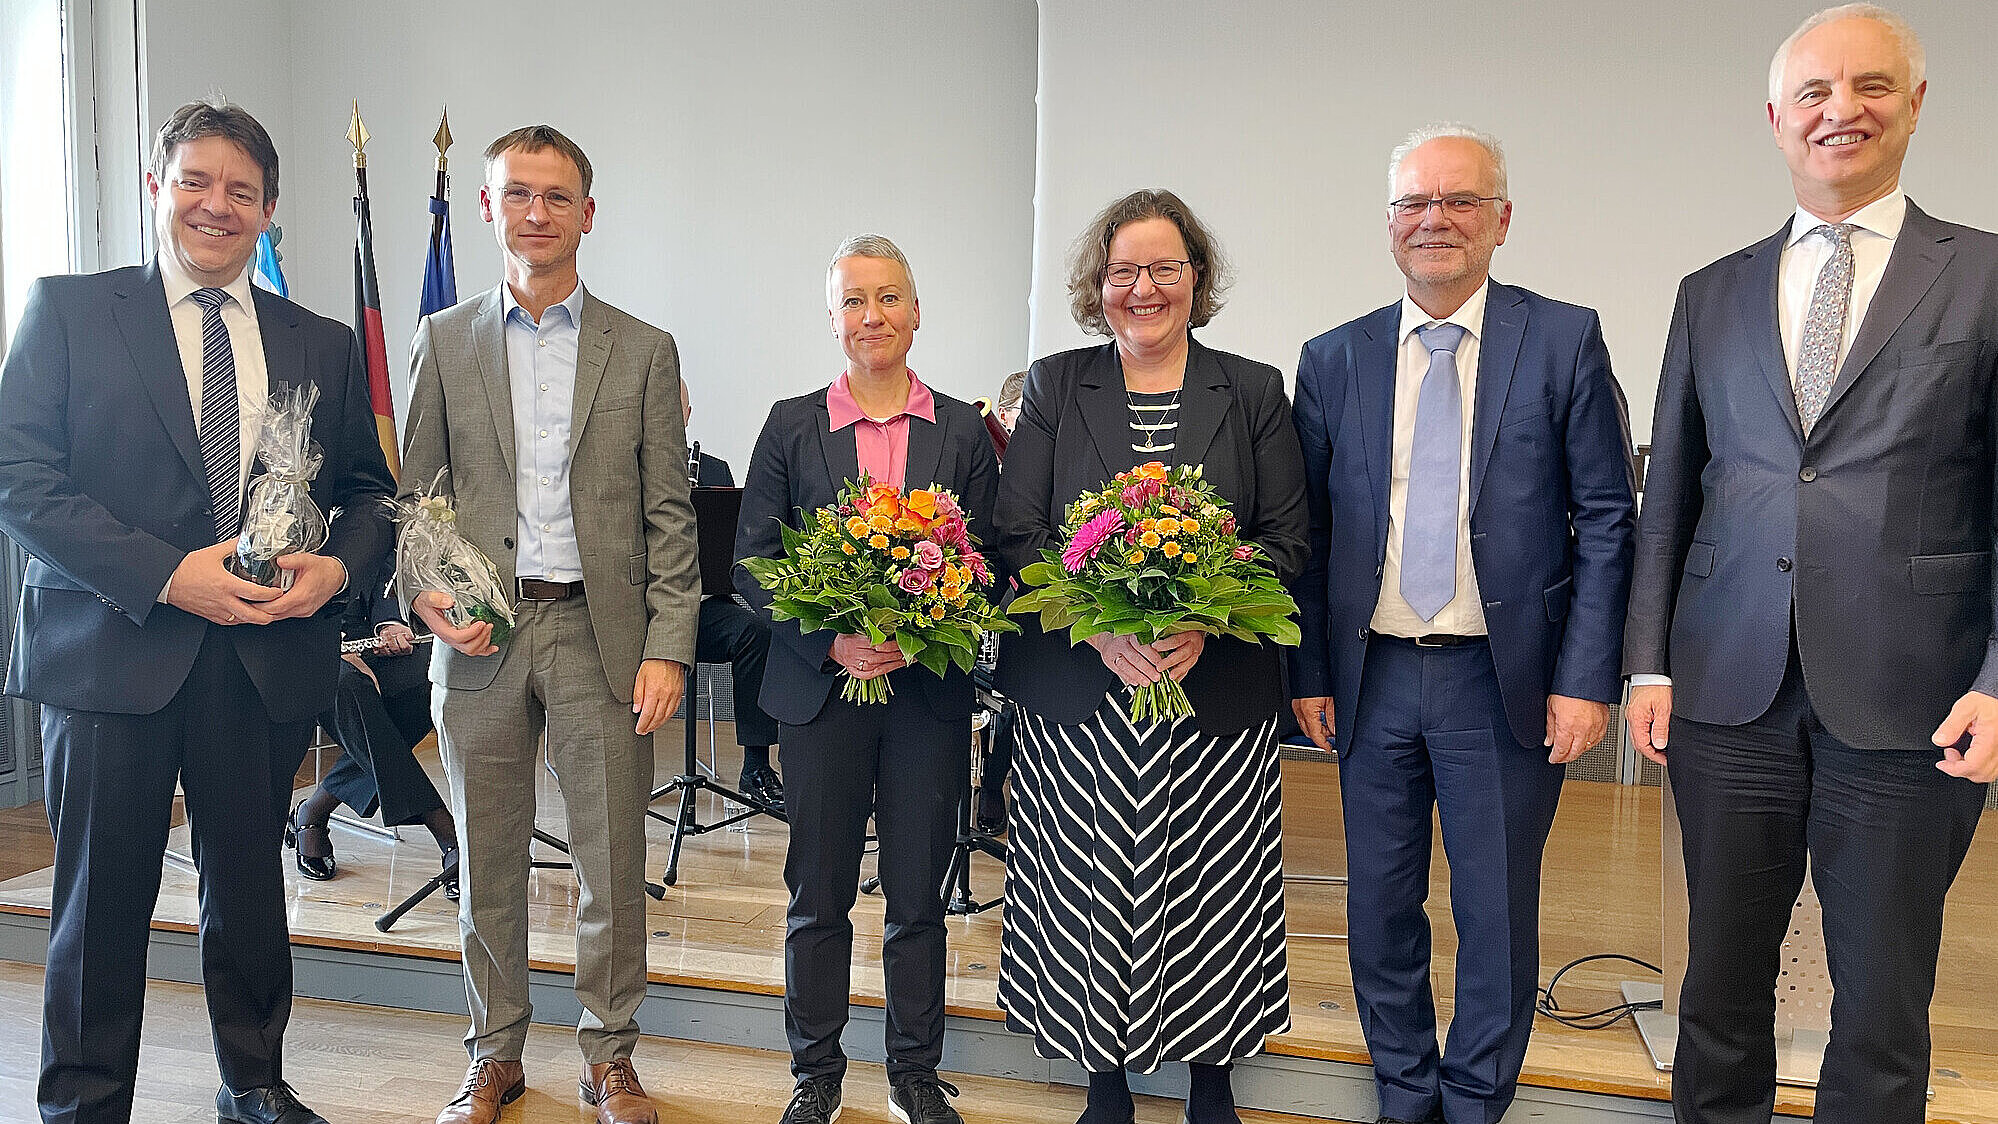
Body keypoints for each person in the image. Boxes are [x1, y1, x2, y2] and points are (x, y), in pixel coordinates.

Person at [1622, 7, 1998, 1123]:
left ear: (1916, 105)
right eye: (1816, 94)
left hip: (1910, 700)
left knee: (1882, 1009)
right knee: (1718, 994)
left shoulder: (1981, 276)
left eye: (1872, 86)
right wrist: (1648, 662)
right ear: (1777, 120)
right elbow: (1670, 498)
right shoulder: (1712, 290)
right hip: (1728, 693)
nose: (1843, 110)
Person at [0, 99, 395, 1124]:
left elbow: (365, 490)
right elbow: (20, 476)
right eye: (196, 182)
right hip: (110, 654)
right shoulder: (70, 310)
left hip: (263, 659)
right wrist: (168, 573)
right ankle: (84, 1101)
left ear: (268, 210)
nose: (217, 205)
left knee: (251, 894)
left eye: (242, 191)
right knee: (99, 903)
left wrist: (335, 574)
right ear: (156, 186)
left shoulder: (317, 339)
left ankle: (254, 1079)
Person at [1288, 127, 1637, 1124]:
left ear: (1502, 220)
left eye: (1460, 200)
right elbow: (1308, 534)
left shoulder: (1562, 337)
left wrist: (1588, 676)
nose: (1434, 219)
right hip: (1374, 675)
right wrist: (1309, 669)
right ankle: (1406, 1090)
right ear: (1388, 223)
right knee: (1379, 904)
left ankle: (1476, 1097)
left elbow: (1610, 517)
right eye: (1413, 203)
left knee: (1494, 906)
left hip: (1507, 678)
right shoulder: (1334, 355)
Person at [400, 124, 700, 1124]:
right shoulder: (443, 340)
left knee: (611, 861)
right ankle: (495, 1056)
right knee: (487, 858)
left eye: (556, 195)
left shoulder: (643, 348)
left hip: (600, 636)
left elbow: (670, 515)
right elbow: (417, 502)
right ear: (488, 207)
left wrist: (669, 645)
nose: (536, 211)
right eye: (517, 193)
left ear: (586, 212)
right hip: (480, 637)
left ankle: (609, 1058)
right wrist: (427, 595)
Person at [992, 189, 1307, 1124]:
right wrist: (1100, 625)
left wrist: (1208, 620)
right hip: (1080, 695)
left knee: (1212, 888)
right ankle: (1105, 1081)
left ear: (1196, 279)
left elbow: (1287, 539)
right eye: (1124, 270)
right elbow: (1019, 536)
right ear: (1099, 284)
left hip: (1215, 692)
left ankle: (1212, 1080)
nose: (1144, 288)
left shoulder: (1251, 390)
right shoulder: (1054, 385)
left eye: (1165, 268)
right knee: (1092, 888)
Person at [736, 234, 1000, 1124]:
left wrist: (923, 630)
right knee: (819, 895)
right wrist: (831, 640)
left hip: (924, 699)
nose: (872, 316)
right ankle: (817, 1074)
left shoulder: (963, 429)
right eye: (854, 300)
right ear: (833, 319)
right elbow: (753, 564)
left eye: (888, 298)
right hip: (822, 697)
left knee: (920, 894)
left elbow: (991, 560)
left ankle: (912, 1074)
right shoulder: (789, 423)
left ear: (916, 312)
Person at [283, 565, 458, 898]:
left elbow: (385, 555)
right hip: (301, 637)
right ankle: (446, 831)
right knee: (349, 689)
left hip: (367, 625)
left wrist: (390, 620)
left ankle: (313, 810)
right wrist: (336, 644)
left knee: (426, 681)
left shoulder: (371, 512)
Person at [682, 381, 782, 806]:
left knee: (757, 631)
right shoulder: (624, 467)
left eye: (678, 406)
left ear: (688, 413)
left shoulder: (714, 469)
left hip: (703, 607)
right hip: (641, 612)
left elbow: (734, 546)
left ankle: (757, 766)